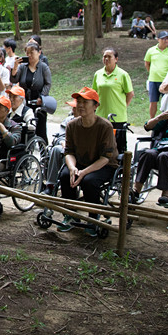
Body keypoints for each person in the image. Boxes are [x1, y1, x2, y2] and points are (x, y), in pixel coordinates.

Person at [58, 87, 119, 236]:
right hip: (80, 162)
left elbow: (105, 158)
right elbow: (69, 152)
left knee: (89, 181)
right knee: (66, 176)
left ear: (96, 106)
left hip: (103, 165)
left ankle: (93, 218)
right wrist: (72, 168)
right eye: (78, 101)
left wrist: (84, 172)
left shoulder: (105, 126)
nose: (80, 105)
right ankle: (70, 214)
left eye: (85, 102)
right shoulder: (72, 125)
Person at [92, 47, 134, 153]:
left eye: (109, 56)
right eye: (104, 56)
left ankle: (121, 167)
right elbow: (94, 93)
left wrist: (122, 107)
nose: (106, 59)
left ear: (116, 59)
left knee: (118, 146)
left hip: (118, 117)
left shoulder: (123, 74)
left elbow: (130, 93)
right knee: (101, 144)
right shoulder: (98, 74)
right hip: (101, 115)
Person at [10, 42, 52, 141]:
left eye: (31, 52)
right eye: (27, 52)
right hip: (24, 100)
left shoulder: (43, 67)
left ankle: (44, 152)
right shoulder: (22, 67)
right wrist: (15, 67)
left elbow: (48, 83)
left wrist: (42, 97)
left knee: (40, 130)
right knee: (26, 129)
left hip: (39, 101)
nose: (29, 55)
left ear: (39, 53)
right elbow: (14, 80)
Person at [44, 100, 77, 193]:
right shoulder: (68, 120)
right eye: (73, 108)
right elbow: (61, 136)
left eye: (75, 107)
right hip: (66, 146)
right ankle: (50, 185)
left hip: (79, 150)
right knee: (56, 149)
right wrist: (63, 143)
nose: (74, 110)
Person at [143, 31, 168, 118]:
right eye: (163, 38)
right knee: (153, 101)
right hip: (153, 80)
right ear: (158, 39)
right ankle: (152, 119)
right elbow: (147, 63)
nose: (165, 40)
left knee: (166, 102)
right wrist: (151, 72)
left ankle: (166, 120)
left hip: (166, 81)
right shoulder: (151, 50)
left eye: (167, 38)